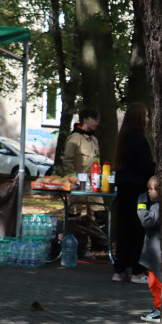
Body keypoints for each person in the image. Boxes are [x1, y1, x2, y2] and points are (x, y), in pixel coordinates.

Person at [113, 103, 156, 284]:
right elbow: (145, 167)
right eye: (146, 116)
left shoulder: (123, 138)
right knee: (138, 229)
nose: (148, 120)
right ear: (139, 118)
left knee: (124, 229)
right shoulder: (139, 139)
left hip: (123, 189)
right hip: (137, 191)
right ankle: (138, 271)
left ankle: (119, 270)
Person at [61, 107, 107, 258]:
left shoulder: (94, 139)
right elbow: (68, 162)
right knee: (76, 216)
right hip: (78, 185)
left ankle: (99, 245)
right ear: (86, 119)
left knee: (100, 212)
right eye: (95, 119)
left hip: (92, 184)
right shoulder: (74, 139)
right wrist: (73, 181)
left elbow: (96, 162)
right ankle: (79, 247)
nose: (98, 123)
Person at [137, 176, 162, 323]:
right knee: (154, 280)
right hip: (153, 250)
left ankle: (159, 309)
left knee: (155, 281)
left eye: (151, 189)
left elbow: (148, 221)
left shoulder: (157, 206)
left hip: (156, 251)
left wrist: (141, 206)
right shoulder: (156, 205)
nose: (148, 192)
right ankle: (157, 306)